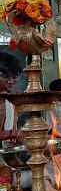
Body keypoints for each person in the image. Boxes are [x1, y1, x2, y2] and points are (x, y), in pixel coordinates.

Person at [0, 52, 24, 182]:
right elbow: (13, 133)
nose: (11, 81)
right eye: (5, 76)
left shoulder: (11, 104)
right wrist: (13, 133)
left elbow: (11, 144)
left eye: (14, 77)